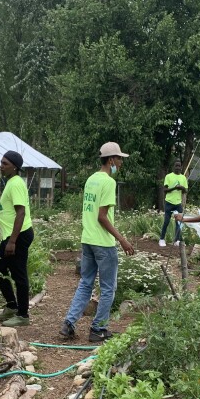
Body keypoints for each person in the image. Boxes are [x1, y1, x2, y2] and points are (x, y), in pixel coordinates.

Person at [60, 142, 135, 342]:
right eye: (119, 159)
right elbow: (102, 217)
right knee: (108, 287)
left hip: (87, 240)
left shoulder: (91, 179)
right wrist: (122, 240)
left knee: (85, 283)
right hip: (103, 243)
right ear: (111, 160)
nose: (121, 163)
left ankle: (69, 323)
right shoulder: (108, 182)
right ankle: (98, 328)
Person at [0, 151, 34, 327]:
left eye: (5, 163)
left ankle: (22, 315)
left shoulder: (15, 184)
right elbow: (9, 209)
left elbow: (21, 212)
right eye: (1, 162)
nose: (1, 165)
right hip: (13, 234)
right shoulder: (11, 182)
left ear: (15, 166)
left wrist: (12, 241)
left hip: (18, 236)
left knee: (18, 274)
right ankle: (11, 307)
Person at [159, 159, 188, 247]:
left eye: (179, 166)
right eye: (176, 166)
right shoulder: (169, 176)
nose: (178, 168)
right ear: (173, 166)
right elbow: (165, 190)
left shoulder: (183, 178)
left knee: (179, 222)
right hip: (169, 202)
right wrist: (174, 188)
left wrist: (181, 188)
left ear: (181, 167)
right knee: (166, 221)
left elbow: (185, 190)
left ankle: (177, 240)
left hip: (178, 203)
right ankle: (162, 239)